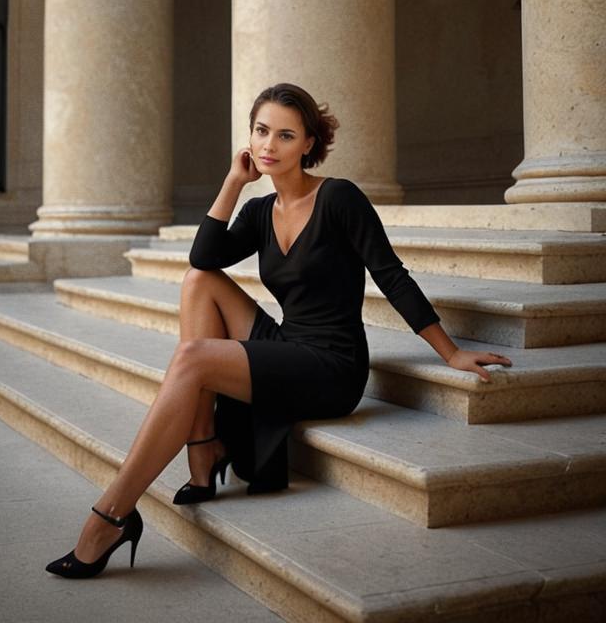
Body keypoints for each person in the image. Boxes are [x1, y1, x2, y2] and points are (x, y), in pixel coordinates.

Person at [46, 82, 512, 579]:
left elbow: (390, 274)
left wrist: (450, 353)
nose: (269, 146)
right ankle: (202, 451)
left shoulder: (339, 198)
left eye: (285, 136)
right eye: (261, 131)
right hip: (290, 345)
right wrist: (233, 182)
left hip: (332, 366)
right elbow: (204, 257)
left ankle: (111, 515)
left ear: (308, 144)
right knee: (198, 281)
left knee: (193, 358)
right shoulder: (259, 211)